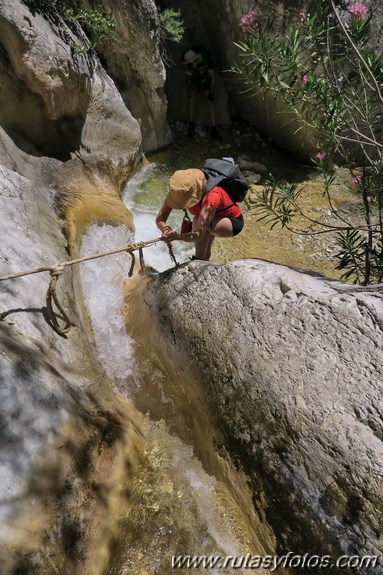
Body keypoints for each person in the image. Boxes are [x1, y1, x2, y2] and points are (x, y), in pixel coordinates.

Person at [155, 168, 244, 261]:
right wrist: (165, 229)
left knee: (198, 220)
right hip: (212, 218)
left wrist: (176, 237)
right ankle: (205, 260)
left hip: (231, 221)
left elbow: (197, 235)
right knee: (204, 244)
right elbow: (160, 218)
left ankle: (198, 260)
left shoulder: (212, 196)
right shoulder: (179, 190)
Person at [183, 47, 222, 140]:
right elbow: (189, 84)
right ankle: (191, 124)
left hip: (205, 80)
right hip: (195, 80)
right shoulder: (189, 66)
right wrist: (188, 77)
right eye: (190, 62)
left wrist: (211, 92)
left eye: (193, 61)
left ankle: (213, 128)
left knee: (210, 102)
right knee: (191, 99)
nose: (192, 63)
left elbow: (213, 76)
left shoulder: (205, 60)